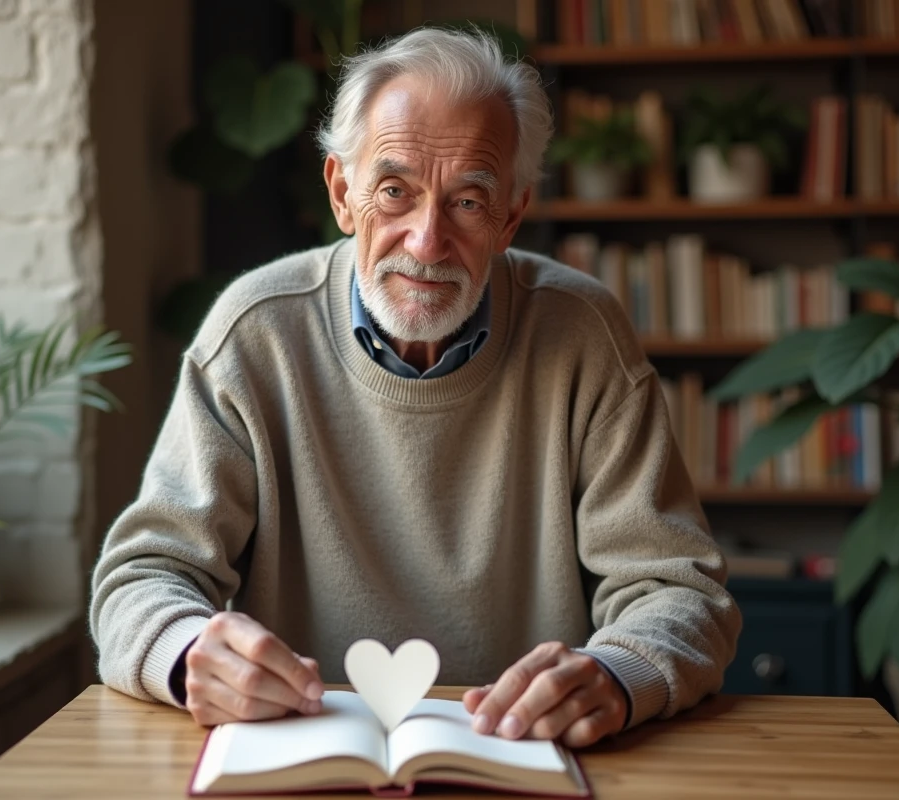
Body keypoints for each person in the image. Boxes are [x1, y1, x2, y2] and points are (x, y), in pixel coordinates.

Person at [91, 27, 741, 749]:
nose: (426, 242)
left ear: (512, 216)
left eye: (467, 201)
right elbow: (142, 578)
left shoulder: (583, 334)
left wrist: (618, 675)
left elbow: (681, 593)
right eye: (395, 191)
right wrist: (187, 652)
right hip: (304, 761)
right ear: (342, 192)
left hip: (525, 757)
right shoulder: (256, 333)